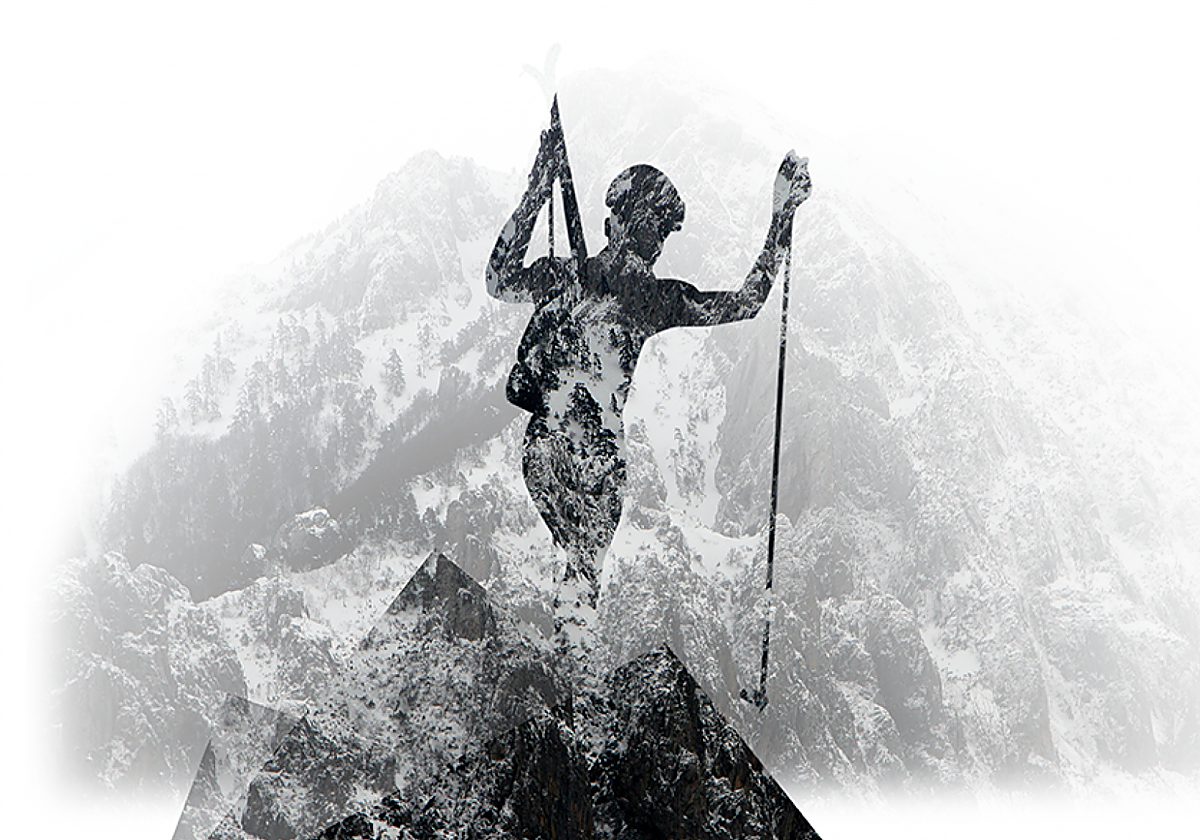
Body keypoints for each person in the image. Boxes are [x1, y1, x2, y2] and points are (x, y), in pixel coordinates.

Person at [487, 129, 810, 642]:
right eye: (650, 230)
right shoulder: (627, 293)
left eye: (659, 235)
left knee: (582, 574)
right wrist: (781, 218)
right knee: (582, 572)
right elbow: (499, 280)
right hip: (576, 447)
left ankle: (571, 651)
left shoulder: (617, 290)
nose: (655, 245)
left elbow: (499, 278)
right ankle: (572, 650)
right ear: (617, 226)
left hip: (582, 450)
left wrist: (781, 218)